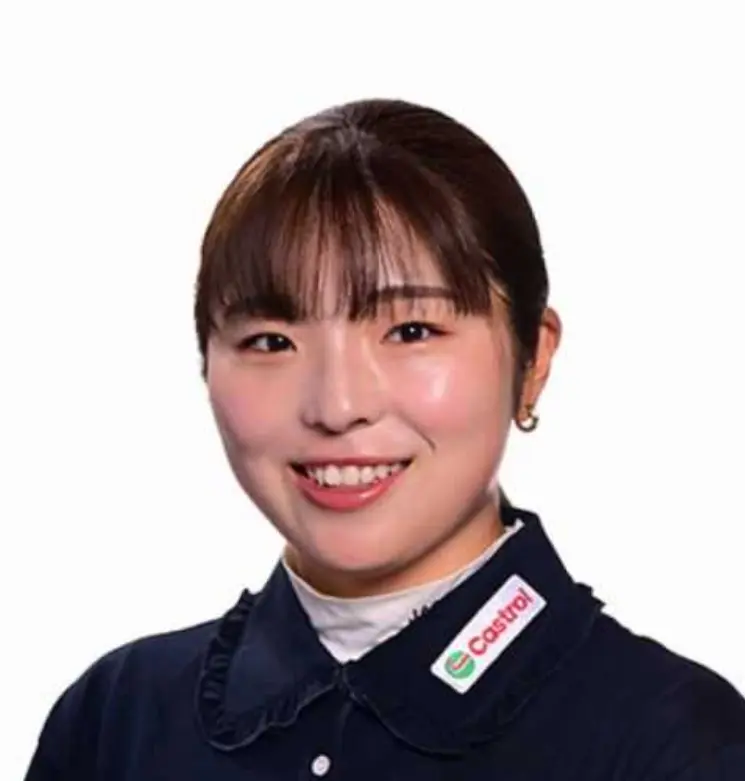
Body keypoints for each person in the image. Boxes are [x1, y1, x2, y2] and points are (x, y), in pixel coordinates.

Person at [25, 98, 745, 780]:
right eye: (271, 341)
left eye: (411, 331)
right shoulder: (117, 720)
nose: (337, 407)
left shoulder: (672, 742)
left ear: (533, 358)